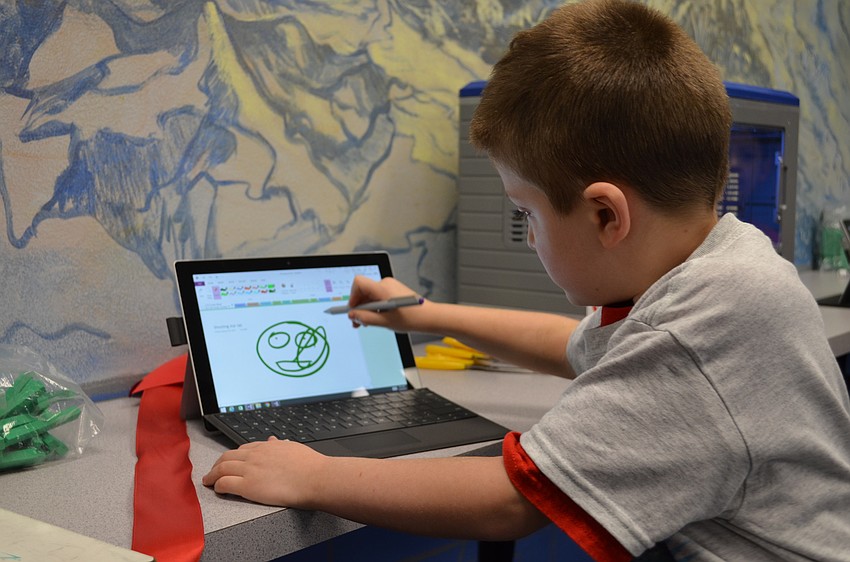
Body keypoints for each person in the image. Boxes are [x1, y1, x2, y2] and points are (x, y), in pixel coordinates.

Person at [203, 0, 850, 559]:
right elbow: (573, 345)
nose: (531, 234)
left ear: (605, 214)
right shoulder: (729, 266)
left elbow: (510, 500)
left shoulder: (693, 337)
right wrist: (425, 313)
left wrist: (314, 476)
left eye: (527, 212)